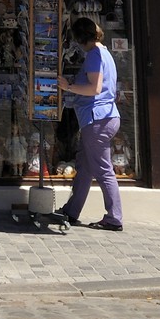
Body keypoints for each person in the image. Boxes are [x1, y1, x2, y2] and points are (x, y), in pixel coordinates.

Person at [53, 16, 123, 231]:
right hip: (103, 118)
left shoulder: (94, 55)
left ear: (81, 38)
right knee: (84, 166)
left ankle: (114, 218)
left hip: (97, 119)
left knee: (103, 169)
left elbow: (94, 88)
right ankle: (72, 211)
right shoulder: (104, 53)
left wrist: (69, 87)